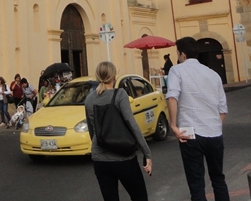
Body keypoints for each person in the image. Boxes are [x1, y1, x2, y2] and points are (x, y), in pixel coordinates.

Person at [167, 37, 230, 201]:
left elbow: (172, 97)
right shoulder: (213, 74)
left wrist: (173, 125)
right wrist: (213, 124)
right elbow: (223, 109)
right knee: (218, 178)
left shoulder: (176, 70)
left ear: (182, 54)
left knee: (196, 184)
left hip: (190, 132)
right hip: (214, 132)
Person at [84, 61, 151, 201]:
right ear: (114, 76)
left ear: (97, 76)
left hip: (100, 158)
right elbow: (132, 124)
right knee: (139, 197)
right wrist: (146, 153)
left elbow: (92, 130)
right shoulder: (120, 94)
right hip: (124, 156)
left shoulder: (89, 99)